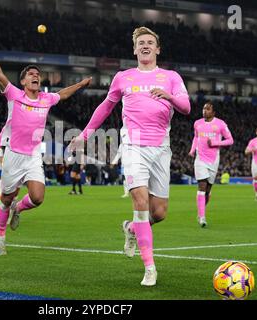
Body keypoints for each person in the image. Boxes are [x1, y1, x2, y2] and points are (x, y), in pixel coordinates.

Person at [69, 27, 191, 286]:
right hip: (133, 145)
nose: (145, 46)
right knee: (140, 201)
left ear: (158, 49)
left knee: (159, 213)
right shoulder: (123, 77)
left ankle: (131, 228)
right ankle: (150, 268)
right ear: (135, 49)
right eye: (141, 43)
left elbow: (187, 108)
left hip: (161, 149)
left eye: (150, 42)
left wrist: (169, 96)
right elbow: (106, 106)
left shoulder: (171, 77)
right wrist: (85, 134)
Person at [0, 33, 92, 255]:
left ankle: (17, 209)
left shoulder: (46, 99)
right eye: (30, 74)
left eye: (37, 74)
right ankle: (0, 237)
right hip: (12, 154)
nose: (35, 76)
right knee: (5, 198)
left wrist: (82, 83)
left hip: (32, 156)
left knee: (38, 197)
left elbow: (63, 95)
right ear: (23, 81)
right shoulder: (14, 94)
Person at [189, 102, 234, 227]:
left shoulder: (220, 124)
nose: (205, 111)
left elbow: (230, 140)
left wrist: (214, 143)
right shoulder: (197, 123)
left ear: (213, 112)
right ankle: (202, 217)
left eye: (208, 109)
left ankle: (201, 211)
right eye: (204, 108)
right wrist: (192, 150)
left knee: (207, 191)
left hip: (213, 160)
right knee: (202, 186)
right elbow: (196, 138)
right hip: (200, 159)